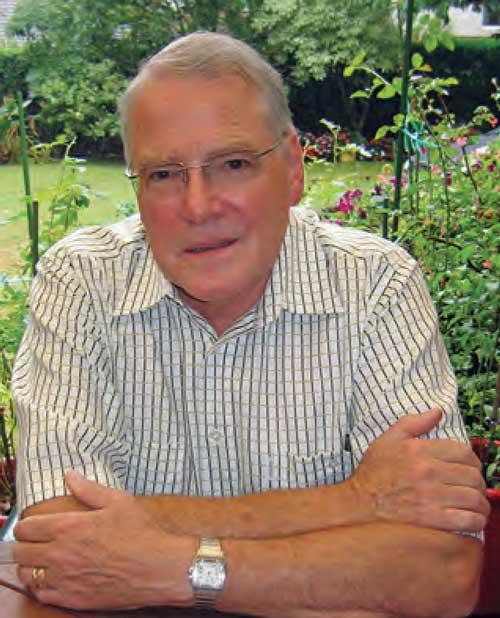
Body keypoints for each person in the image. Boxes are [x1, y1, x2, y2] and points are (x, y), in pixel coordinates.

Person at [11, 31, 488, 617]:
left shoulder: (375, 285)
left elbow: (441, 571)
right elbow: (59, 539)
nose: (198, 205)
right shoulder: (81, 282)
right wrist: (357, 500)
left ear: (292, 169)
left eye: (232, 164)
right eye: (163, 174)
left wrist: (175, 566)